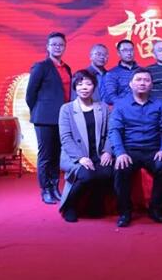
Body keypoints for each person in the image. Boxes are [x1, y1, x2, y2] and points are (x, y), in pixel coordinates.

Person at [109, 68, 162, 227]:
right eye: (138, 80)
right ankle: (125, 211)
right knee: (121, 168)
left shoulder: (160, 104)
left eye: (146, 80)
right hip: (129, 149)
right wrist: (120, 152)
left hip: (153, 149)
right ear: (130, 84)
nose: (142, 83)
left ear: (151, 85)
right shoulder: (120, 105)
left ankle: (156, 209)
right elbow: (114, 130)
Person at [58, 69, 113, 222]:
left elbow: (110, 132)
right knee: (86, 175)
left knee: (107, 172)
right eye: (80, 84)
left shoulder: (103, 107)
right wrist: (80, 158)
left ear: (94, 87)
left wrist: (107, 151)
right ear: (75, 87)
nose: (84, 87)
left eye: (88, 84)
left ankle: (94, 204)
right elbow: (66, 138)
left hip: (98, 153)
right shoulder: (67, 109)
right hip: (74, 155)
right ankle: (70, 206)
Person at [26, 31, 72, 204]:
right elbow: (30, 94)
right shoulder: (41, 67)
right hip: (44, 118)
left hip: (62, 118)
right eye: (54, 44)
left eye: (61, 45)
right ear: (47, 47)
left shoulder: (66, 68)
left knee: (56, 154)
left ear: (65, 47)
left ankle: (54, 187)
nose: (57, 47)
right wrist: (40, 110)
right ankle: (45, 189)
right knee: (45, 155)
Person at [103, 39, 139, 106]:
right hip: (123, 109)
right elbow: (109, 97)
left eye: (131, 50)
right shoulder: (112, 74)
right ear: (118, 53)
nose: (129, 53)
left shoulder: (142, 71)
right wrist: (123, 105)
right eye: (125, 50)